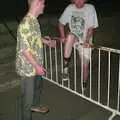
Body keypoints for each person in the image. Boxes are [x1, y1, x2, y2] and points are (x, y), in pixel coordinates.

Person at [16, 0, 56, 119]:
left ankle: (35, 105)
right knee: (27, 98)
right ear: (37, 3)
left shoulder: (34, 20)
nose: (44, 5)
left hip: (36, 63)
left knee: (37, 87)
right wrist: (37, 67)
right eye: (42, 3)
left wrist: (46, 42)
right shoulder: (25, 23)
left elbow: (35, 37)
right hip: (28, 68)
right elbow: (24, 49)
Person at [58, 0, 98, 89]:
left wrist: (87, 41)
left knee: (85, 66)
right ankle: (65, 67)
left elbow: (91, 28)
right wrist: (62, 36)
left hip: (85, 40)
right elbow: (61, 24)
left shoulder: (90, 8)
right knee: (70, 36)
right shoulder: (69, 8)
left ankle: (84, 81)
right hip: (74, 38)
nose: (79, 2)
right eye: (76, 0)